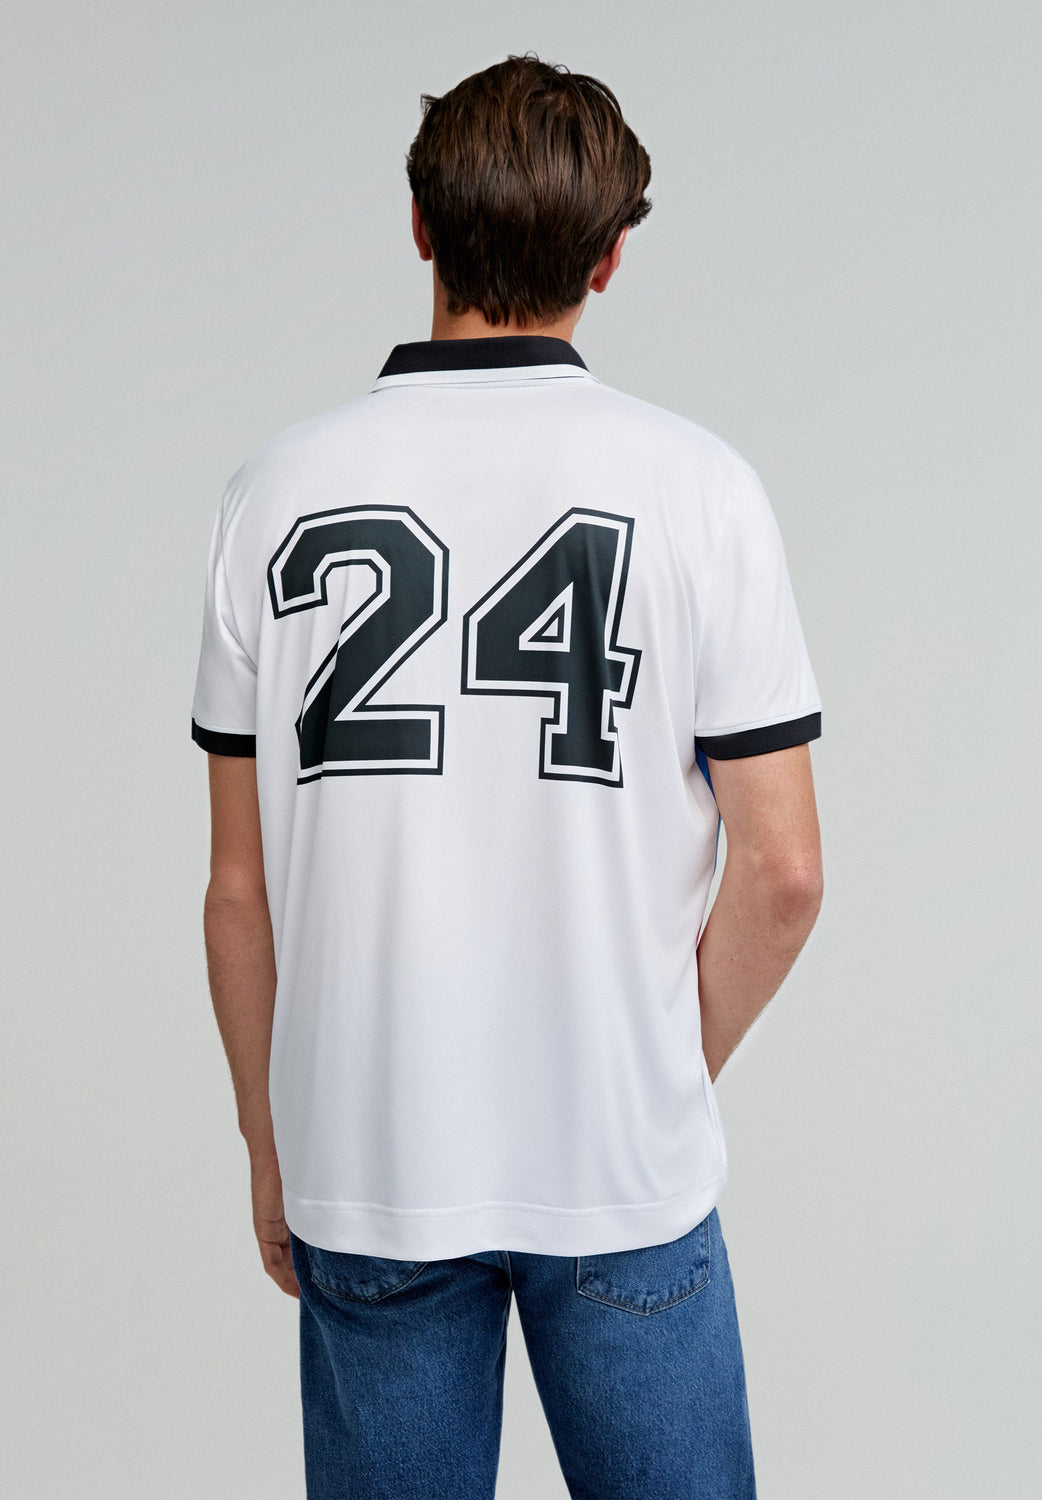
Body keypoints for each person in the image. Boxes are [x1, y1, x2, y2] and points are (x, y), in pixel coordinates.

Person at [191, 51, 823, 1500]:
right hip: (616, 1161)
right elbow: (785, 872)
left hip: (369, 1152)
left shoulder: (271, 493)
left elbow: (236, 891)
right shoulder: (702, 489)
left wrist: (267, 1138)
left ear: (419, 227)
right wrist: (655, 1065)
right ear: (608, 260)